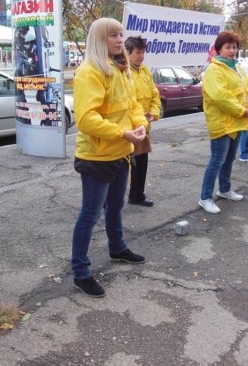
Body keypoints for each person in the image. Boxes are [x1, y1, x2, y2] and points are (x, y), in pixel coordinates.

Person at [71, 18, 148, 297]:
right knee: (89, 215)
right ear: (98, 39)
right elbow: (86, 119)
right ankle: (80, 271)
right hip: (97, 156)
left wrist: (140, 125)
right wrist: (122, 133)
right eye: (112, 35)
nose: (118, 40)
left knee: (114, 207)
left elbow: (133, 105)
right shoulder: (90, 71)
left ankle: (117, 248)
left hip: (120, 152)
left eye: (120, 34)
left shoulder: (121, 68)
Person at [199, 31, 248, 214]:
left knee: (229, 159)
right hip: (222, 122)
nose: (232, 51)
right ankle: (205, 197)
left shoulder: (238, 68)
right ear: (219, 49)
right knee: (217, 159)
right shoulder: (213, 69)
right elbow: (220, 96)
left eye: (234, 47)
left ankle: (224, 189)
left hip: (238, 121)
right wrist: (242, 110)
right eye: (228, 47)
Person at [125, 36, 161, 207]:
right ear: (128, 53)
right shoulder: (124, 72)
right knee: (121, 166)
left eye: (143, 52)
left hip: (144, 127)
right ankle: (108, 201)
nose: (141, 56)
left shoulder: (146, 71)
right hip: (127, 129)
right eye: (137, 52)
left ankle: (137, 195)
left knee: (141, 164)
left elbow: (155, 95)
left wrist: (154, 113)